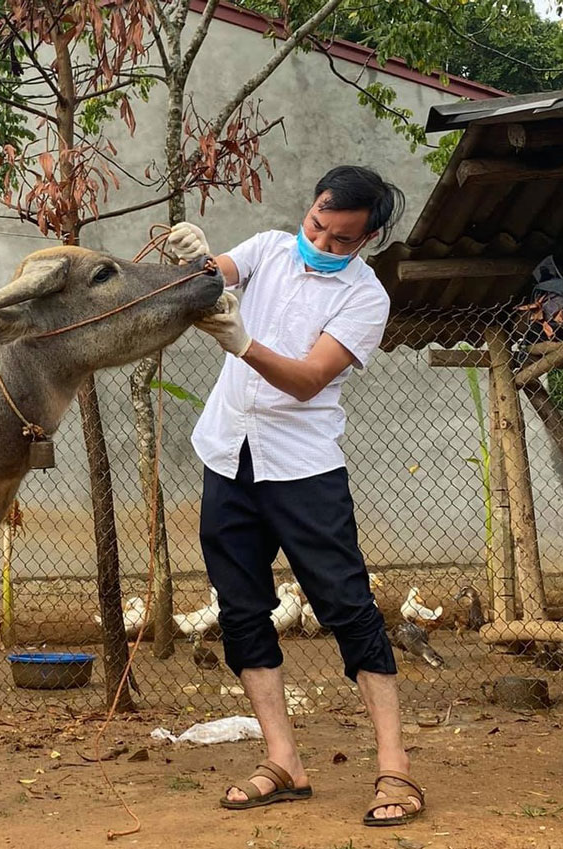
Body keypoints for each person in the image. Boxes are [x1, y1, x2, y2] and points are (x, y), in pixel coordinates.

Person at [168, 165, 424, 827]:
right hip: (229, 455)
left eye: (341, 239)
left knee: (347, 606)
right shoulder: (269, 249)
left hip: (304, 469)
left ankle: (394, 765)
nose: (322, 242)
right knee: (243, 611)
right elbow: (210, 278)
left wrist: (243, 343)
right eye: (317, 224)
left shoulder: (366, 298)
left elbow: (310, 378)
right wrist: (195, 262)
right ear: (309, 208)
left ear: (366, 240)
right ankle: (284, 761)